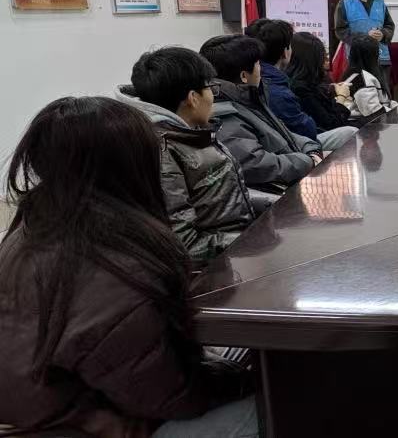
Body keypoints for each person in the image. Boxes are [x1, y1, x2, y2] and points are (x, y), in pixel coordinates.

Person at [0, 97, 255, 437]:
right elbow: (169, 397)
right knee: (279, 403)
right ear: (132, 166)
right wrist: (244, 380)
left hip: (57, 407)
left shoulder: (36, 224)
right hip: (82, 424)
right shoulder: (115, 270)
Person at [118, 47, 256, 264]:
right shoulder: (162, 150)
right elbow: (187, 246)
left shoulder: (189, 131)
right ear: (193, 98)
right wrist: (251, 241)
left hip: (235, 247)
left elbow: (222, 198)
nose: (213, 97)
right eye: (210, 88)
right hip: (219, 266)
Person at [199, 34, 321, 189]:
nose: (261, 70)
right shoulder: (223, 114)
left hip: (294, 171)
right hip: (278, 192)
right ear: (244, 76)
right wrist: (307, 161)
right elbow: (255, 164)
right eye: (258, 65)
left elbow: (284, 134)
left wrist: (311, 150)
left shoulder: (248, 99)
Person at [245, 19, 356, 152]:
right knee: (351, 133)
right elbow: (309, 130)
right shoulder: (281, 90)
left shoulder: (272, 82)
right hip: (292, 149)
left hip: (278, 146)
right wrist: (342, 97)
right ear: (285, 52)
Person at [334, 0, 394, 92]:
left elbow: (389, 25)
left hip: (381, 57)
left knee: (383, 92)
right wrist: (364, 38)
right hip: (356, 59)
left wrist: (383, 34)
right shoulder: (345, 3)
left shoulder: (380, 3)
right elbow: (340, 31)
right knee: (359, 92)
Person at [287, 31, 355, 134]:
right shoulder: (300, 90)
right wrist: (342, 97)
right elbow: (332, 124)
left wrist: (330, 89)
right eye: (323, 56)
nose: (325, 60)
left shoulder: (305, 81)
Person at [345, 33, 398, 122]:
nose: (379, 56)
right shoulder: (361, 79)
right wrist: (393, 109)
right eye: (377, 52)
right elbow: (373, 113)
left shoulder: (357, 74)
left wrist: (391, 104)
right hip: (363, 126)